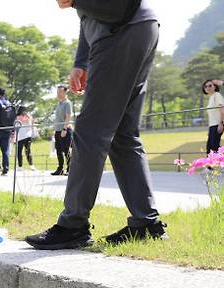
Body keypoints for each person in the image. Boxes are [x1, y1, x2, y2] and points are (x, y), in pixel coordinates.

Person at [26, 0, 167, 249]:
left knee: (91, 132)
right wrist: (81, 62)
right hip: (138, 27)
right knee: (123, 134)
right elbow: (87, 17)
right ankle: (146, 223)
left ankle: (73, 225)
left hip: (122, 29)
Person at [51, 86, 73, 175]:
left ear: (65, 92)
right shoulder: (59, 103)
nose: (58, 93)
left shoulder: (67, 103)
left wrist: (64, 129)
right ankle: (60, 169)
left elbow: (68, 116)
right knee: (58, 150)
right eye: (57, 92)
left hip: (65, 130)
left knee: (66, 150)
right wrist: (55, 129)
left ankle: (70, 169)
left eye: (60, 92)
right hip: (58, 130)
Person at [203, 79, 224, 154]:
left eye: (210, 85)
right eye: (206, 86)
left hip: (217, 125)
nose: (208, 87)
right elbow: (212, 116)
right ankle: (209, 165)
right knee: (210, 147)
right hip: (212, 126)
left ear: (215, 87)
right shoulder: (211, 98)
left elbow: (222, 110)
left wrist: (221, 124)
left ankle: (217, 163)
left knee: (214, 147)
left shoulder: (217, 95)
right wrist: (209, 129)